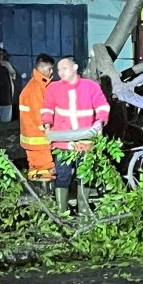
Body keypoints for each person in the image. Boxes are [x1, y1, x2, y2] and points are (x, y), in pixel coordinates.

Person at [41, 55, 111, 215]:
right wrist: (47, 125)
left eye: (65, 68)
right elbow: (47, 108)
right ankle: (62, 211)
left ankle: (84, 209)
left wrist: (100, 122)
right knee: (63, 175)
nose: (61, 72)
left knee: (84, 174)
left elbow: (102, 105)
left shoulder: (90, 86)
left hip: (85, 141)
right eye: (59, 69)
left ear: (75, 68)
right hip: (63, 142)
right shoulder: (53, 88)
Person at [18, 53, 57, 182]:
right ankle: (47, 196)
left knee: (35, 169)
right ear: (40, 68)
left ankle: (37, 195)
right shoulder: (37, 88)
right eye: (49, 69)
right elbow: (40, 113)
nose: (51, 72)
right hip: (39, 137)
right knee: (46, 170)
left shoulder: (34, 85)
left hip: (31, 136)